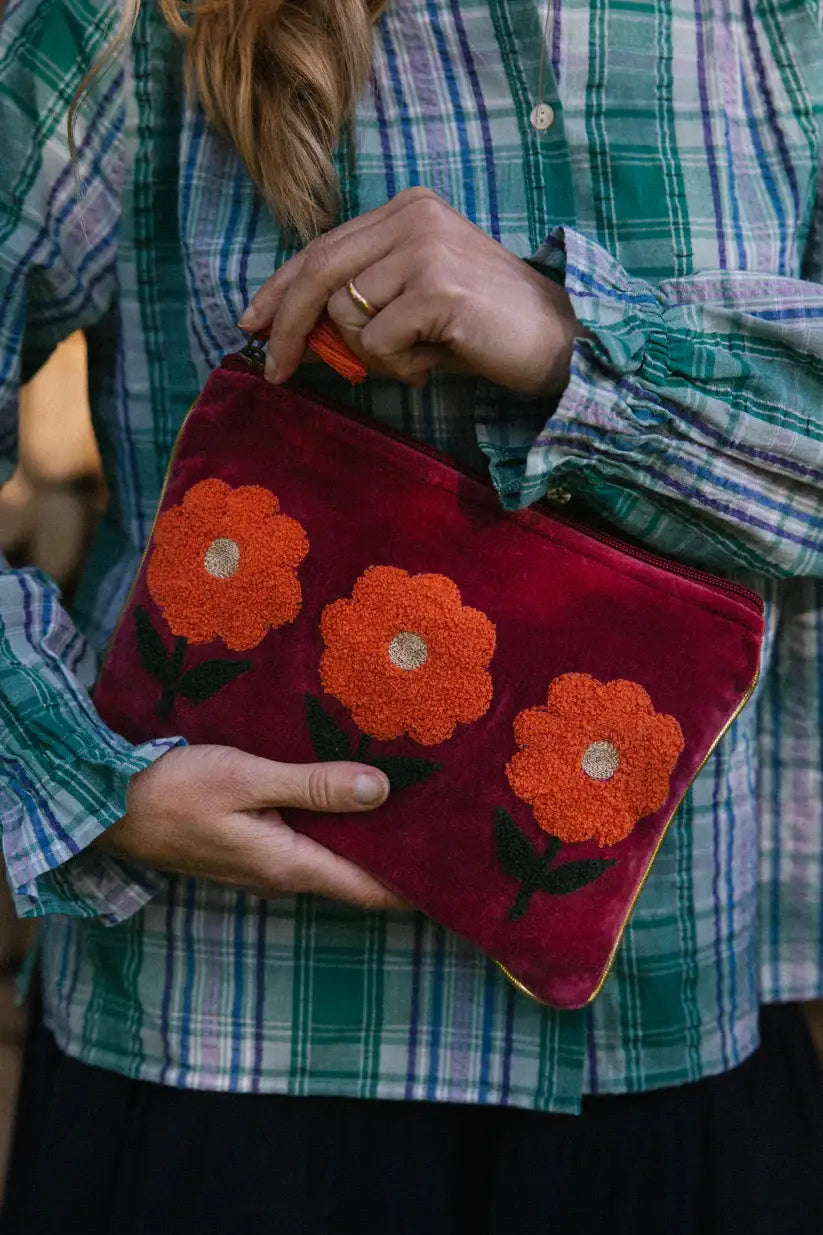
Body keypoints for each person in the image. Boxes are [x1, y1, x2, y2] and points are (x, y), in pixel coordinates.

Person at [1, 0, 822, 1231]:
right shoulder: (121, 25)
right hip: (222, 1057)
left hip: (670, 1055)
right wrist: (85, 776)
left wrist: (573, 342)